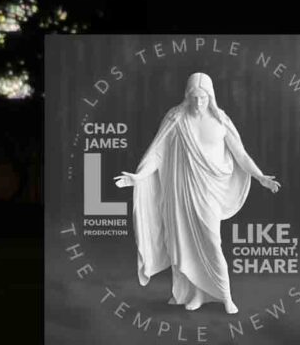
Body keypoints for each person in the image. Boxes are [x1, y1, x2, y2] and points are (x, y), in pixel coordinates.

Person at [115, 72, 282, 314]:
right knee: (186, 243)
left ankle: (226, 296)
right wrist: (138, 177)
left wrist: (260, 176)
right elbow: (157, 154)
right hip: (182, 192)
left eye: (203, 98)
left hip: (210, 191)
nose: (198, 103)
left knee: (212, 241)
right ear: (187, 96)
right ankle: (196, 294)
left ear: (210, 97)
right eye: (194, 97)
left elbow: (241, 154)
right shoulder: (175, 119)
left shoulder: (221, 120)